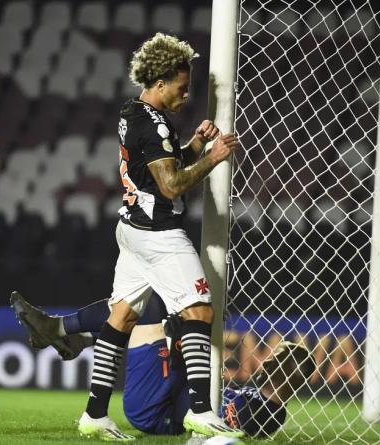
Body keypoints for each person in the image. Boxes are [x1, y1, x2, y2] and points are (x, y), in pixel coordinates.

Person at [50, 32, 240, 441]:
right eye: (182, 87)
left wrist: (194, 144)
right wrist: (213, 157)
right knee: (199, 311)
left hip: (132, 228)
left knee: (121, 317)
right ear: (160, 82)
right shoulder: (152, 125)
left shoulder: (132, 111)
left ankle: (94, 414)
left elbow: (158, 165)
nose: (187, 95)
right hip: (159, 234)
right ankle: (202, 413)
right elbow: (171, 185)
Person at [10, 292, 316, 438]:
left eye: (277, 356)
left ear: (289, 373)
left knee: (147, 305)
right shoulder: (252, 392)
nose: (267, 357)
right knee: (147, 299)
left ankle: (64, 331)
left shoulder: (267, 412)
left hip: (155, 411)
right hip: (164, 396)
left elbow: (219, 430)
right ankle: (74, 336)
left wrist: (180, 339)